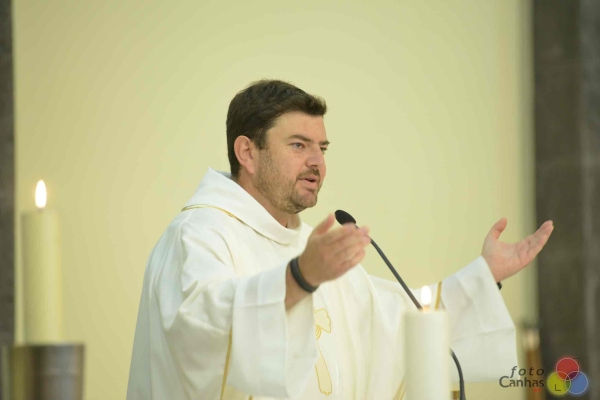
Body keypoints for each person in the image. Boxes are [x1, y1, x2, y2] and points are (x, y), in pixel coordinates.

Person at [126, 80, 554, 400]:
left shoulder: (311, 248)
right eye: (299, 145)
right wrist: (298, 279)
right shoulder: (199, 235)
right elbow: (198, 330)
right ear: (247, 153)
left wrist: (483, 276)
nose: (317, 162)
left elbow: (398, 324)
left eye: (323, 148)